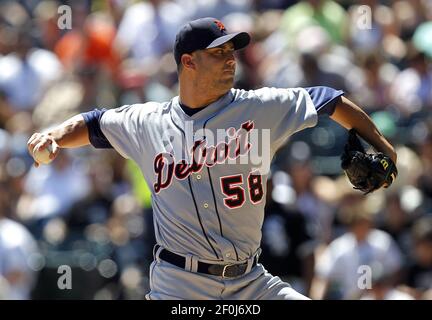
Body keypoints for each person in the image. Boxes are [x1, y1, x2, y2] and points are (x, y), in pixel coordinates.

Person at [27, 17, 397, 300]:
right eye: (217, 53)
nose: (229, 60)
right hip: (180, 284)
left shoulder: (260, 107)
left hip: (252, 282)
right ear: (188, 62)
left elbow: (328, 99)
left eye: (231, 52)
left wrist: (382, 145)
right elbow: (93, 123)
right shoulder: (146, 122)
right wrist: (54, 136)